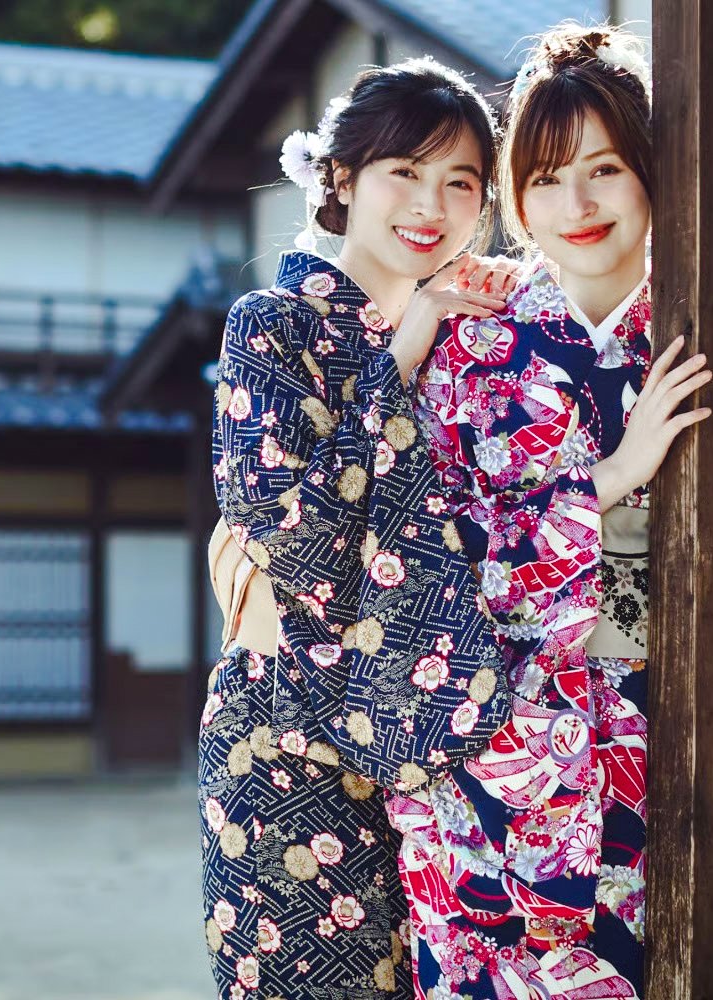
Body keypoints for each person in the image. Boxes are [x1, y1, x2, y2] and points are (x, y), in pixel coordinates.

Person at [384, 24, 713, 998]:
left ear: (653, 174)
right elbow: (417, 550)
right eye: (547, 178)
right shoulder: (471, 342)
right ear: (517, 195)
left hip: (662, 728)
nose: (578, 205)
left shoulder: (705, 330)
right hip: (497, 753)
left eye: (605, 169)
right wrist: (606, 480)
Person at [198, 56, 527, 999]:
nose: (431, 205)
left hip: (454, 737)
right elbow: (294, 542)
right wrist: (402, 354)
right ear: (341, 179)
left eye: (460, 181)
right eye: (404, 172)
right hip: (289, 736)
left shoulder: (479, 336)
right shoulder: (271, 324)